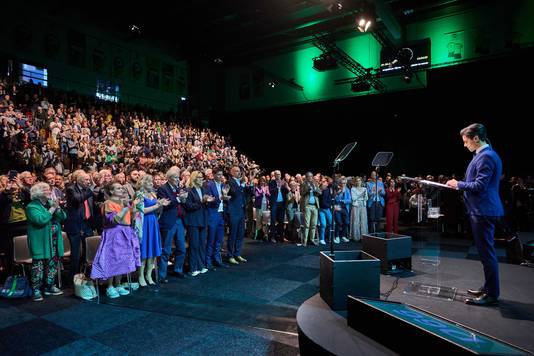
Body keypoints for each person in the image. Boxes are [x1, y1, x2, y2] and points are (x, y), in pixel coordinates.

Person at [447, 123, 503, 306]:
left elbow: (479, 186)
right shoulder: (484, 155)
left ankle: (492, 293)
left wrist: (458, 184)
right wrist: (460, 184)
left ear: (476, 138)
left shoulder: (486, 157)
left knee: (487, 254)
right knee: (485, 252)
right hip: (482, 209)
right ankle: (488, 288)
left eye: (466, 141)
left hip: (483, 210)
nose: (465, 145)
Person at [90, 183, 141, 298]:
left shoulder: (124, 202)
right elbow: (114, 220)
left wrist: (133, 209)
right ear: (111, 191)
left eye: (122, 188)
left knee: (122, 260)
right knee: (112, 259)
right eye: (118, 188)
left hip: (125, 233)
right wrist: (127, 208)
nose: (122, 189)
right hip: (114, 234)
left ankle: (118, 284)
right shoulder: (108, 203)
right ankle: (110, 286)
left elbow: (130, 219)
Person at [26, 182, 66, 301]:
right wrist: (53, 208)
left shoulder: (50, 203)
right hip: (40, 241)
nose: (50, 191)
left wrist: (57, 208)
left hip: (53, 240)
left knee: (52, 264)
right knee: (38, 265)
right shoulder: (32, 207)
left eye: (49, 189)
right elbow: (41, 220)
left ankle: (49, 286)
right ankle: (36, 289)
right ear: (38, 193)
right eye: (46, 190)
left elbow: (63, 217)